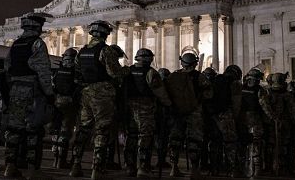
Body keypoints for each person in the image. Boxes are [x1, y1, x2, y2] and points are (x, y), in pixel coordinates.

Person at [68, 20, 123, 179]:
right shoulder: (106, 51)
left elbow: (77, 73)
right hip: (102, 94)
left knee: (83, 130)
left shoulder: (82, 51)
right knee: (101, 130)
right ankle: (96, 169)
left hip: (86, 93)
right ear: (106, 34)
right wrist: (125, 71)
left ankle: (76, 165)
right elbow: (115, 73)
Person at [3, 12, 55, 179]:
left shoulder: (16, 44)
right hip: (32, 92)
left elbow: (7, 68)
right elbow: (44, 72)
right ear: (37, 27)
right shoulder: (37, 44)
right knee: (33, 130)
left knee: (14, 130)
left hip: (15, 90)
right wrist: (49, 94)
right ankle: (33, 169)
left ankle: (9, 167)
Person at [123, 48, 171, 178]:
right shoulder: (150, 72)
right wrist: (168, 104)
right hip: (146, 108)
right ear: (149, 59)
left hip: (129, 108)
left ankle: (129, 166)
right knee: (145, 137)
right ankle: (143, 167)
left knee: (131, 137)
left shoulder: (128, 71)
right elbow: (160, 92)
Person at [165, 52, 211, 179]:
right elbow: (209, 94)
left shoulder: (173, 76)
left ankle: (174, 168)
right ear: (195, 63)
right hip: (194, 112)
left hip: (176, 113)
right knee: (194, 141)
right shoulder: (199, 76)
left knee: (175, 140)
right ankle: (194, 170)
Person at [259, 72, 295, 176]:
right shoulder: (283, 94)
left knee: (275, 145)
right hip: (276, 123)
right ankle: (275, 167)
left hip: (276, 123)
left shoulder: (268, 92)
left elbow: (264, 106)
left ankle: (274, 167)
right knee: (276, 145)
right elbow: (292, 111)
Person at [209, 65, 242, 177]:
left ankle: (214, 169)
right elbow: (236, 103)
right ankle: (233, 170)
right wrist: (235, 118)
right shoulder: (234, 84)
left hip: (213, 115)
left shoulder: (216, 80)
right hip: (226, 115)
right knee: (230, 143)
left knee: (215, 142)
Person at [52, 47, 79, 169]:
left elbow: (53, 85)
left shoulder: (58, 70)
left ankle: (55, 159)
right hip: (69, 103)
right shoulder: (75, 71)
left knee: (56, 130)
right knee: (65, 131)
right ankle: (61, 161)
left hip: (57, 101)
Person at [237, 67, 266, 179]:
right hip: (255, 120)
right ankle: (256, 171)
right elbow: (265, 106)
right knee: (256, 144)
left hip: (242, 119)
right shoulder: (259, 90)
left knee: (243, 144)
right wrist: (274, 117)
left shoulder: (241, 88)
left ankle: (241, 169)